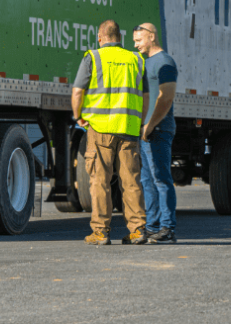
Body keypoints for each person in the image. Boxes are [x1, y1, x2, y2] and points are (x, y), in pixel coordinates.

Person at [71, 20, 148, 246]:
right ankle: (137, 230)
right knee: (131, 182)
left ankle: (101, 233)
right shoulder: (136, 59)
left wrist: (78, 117)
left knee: (100, 182)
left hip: (101, 129)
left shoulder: (93, 58)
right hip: (128, 130)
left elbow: (77, 92)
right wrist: (141, 122)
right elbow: (145, 98)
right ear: (120, 38)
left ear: (100, 37)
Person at [132, 23, 179, 244]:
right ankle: (152, 227)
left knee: (161, 179)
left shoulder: (165, 62)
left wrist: (150, 124)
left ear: (152, 36)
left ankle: (167, 229)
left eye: (139, 40)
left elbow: (166, 98)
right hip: (146, 131)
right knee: (147, 181)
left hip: (158, 129)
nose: (135, 44)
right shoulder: (146, 62)